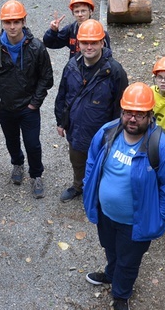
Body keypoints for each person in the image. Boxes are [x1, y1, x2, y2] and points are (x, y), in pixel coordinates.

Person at [83, 82, 165, 310]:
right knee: (110, 249)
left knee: (129, 262)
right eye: (128, 112)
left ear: (150, 116)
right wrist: (89, 189)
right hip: (106, 214)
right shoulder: (108, 133)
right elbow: (91, 161)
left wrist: (158, 216)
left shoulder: (160, 147)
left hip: (134, 223)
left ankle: (121, 294)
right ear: (121, 111)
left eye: (139, 115)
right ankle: (111, 274)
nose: (132, 119)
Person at [0, 0, 53, 198]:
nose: (12, 27)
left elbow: (47, 77)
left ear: (24, 21)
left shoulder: (37, 48)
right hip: (5, 108)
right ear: (2, 23)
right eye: (8, 22)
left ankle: (36, 174)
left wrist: (34, 103)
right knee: (11, 140)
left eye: (16, 22)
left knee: (33, 143)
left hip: (28, 108)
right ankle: (17, 163)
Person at [54, 20, 128, 203]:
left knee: (102, 165)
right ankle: (78, 186)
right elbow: (62, 94)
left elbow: (120, 107)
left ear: (102, 42)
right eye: (85, 42)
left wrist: (115, 134)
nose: (89, 47)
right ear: (78, 43)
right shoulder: (71, 65)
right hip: (76, 130)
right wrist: (61, 121)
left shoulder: (115, 71)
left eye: (93, 42)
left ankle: (99, 193)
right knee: (78, 162)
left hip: (102, 134)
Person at [44, 0, 111, 58]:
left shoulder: (100, 32)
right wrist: (53, 31)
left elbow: (107, 55)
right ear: (73, 13)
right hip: (75, 68)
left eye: (83, 11)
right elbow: (49, 43)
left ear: (90, 12)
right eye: (76, 11)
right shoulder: (70, 30)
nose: (80, 14)